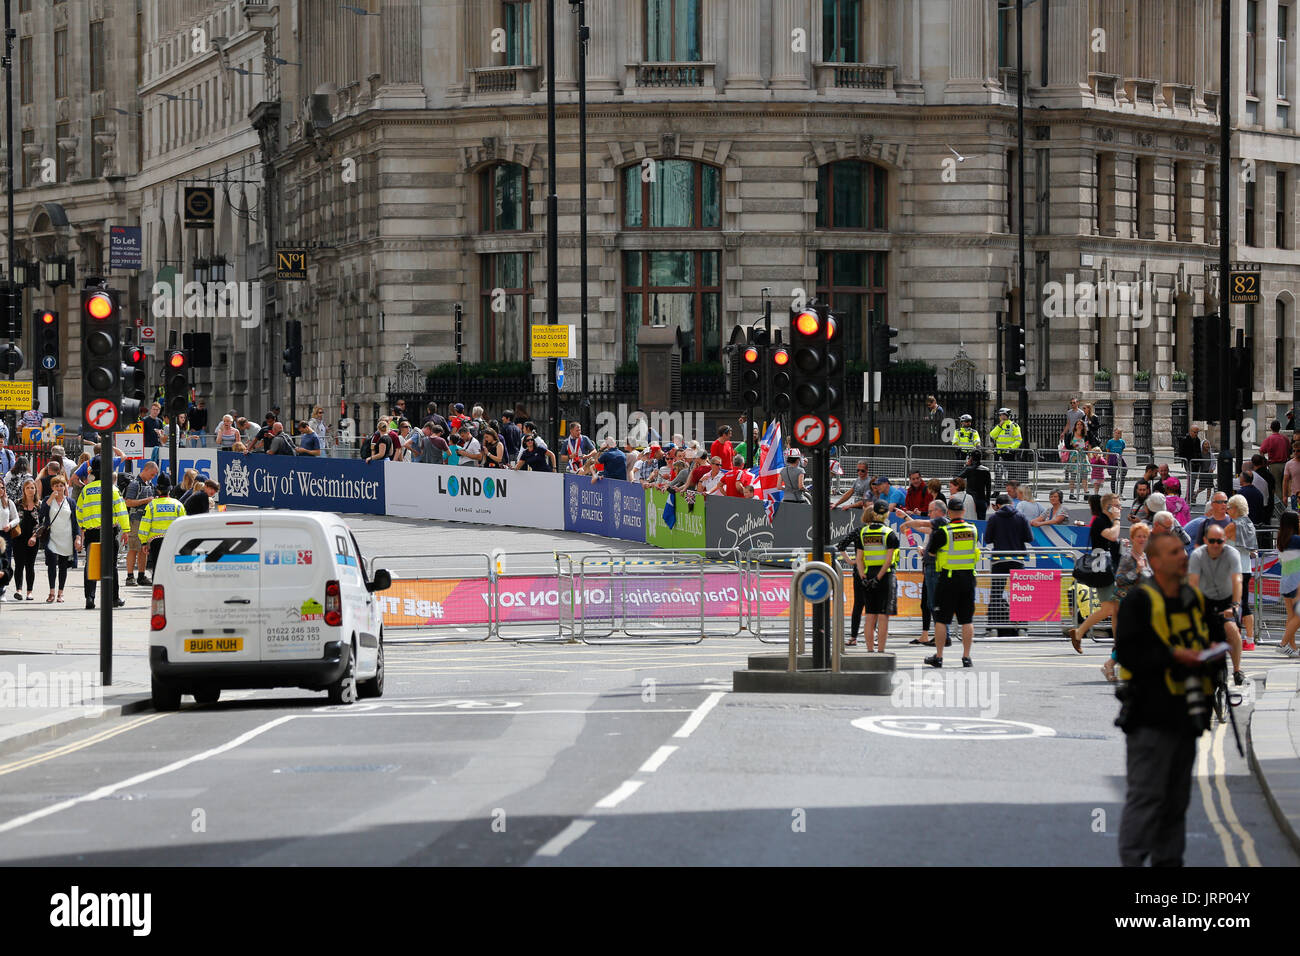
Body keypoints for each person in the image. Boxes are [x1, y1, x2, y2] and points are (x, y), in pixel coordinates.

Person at [1114, 530, 1226, 867]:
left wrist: (1211, 654)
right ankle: (1133, 861)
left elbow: (1215, 639)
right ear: (1156, 561)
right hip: (1150, 717)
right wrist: (1176, 656)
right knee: (1147, 797)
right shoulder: (1140, 601)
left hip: (1187, 716)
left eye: (1182, 550)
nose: (1183, 556)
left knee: (1177, 802)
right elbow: (1129, 654)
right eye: (1175, 552)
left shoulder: (1196, 599)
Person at [1186, 527, 1245, 687]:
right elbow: (1193, 584)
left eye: (1219, 541)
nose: (1215, 545)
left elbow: (1237, 580)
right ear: (1205, 541)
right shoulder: (1197, 555)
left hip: (1227, 599)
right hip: (1205, 599)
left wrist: (1235, 605)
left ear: (1225, 540)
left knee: (1232, 631)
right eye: (1212, 541)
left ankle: (1237, 670)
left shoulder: (1232, 554)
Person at [925, 494, 979, 668]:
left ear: (948, 512)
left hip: (948, 579)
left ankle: (939, 656)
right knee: (967, 620)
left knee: (942, 619)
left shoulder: (944, 532)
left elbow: (931, 552)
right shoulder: (973, 530)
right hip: (968, 578)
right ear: (963, 511)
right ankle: (966, 657)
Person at [1065, 493, 1123, 652]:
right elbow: (1112, 536)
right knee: (1108, 609)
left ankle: (1118, 644)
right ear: (1108, 507)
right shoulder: (1100, 521)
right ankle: (1079, 632)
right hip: (1102, 570)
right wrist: (1117, 520)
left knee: (1116, 609)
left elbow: (1112, 541)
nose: (1120, 508)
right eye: (1117, 505)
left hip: (1111, 569)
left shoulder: (1107, 521)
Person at [76, 457, 129, 610]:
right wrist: (126, 530)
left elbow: (79, 511)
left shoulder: (86, 490)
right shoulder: (113, 489)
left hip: (91, 533)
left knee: (91, 565)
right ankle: (113, 598)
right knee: (111, 566)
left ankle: (90, 598)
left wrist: (83, 527)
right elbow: (121, 511)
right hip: (109, 532)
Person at [1103, 522, 1153, 681]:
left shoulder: (1145, 557)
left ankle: (1112, 665)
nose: (1142, 539)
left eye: (1144, 536)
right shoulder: (1128, 557)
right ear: (1132, 538)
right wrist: (1136, 571)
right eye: (1139, 536)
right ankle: (1111, 665)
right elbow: (1119, 579)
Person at [849, 501, 900, 652]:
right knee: (883, 616)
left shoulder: (863, 533)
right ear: (886, 514)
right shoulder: (889, 533)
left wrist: (863, 577)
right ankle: (881, 650)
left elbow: (859, 559)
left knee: (870, 615)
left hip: (868, 574)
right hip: (885, 576)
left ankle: (870, 650)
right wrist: (878, 577)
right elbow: (888, 560)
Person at [900, 499, 950, 648]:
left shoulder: (942, 522)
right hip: (931, 567)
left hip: (935, 568)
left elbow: (921, 525)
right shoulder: (937, 526)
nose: (928, 514)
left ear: (939, 511)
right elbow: (922, 527)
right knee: (928, 603)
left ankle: (943, 636)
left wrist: (906, 521)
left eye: (930, 511)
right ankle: (932, 635)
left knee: (935, 603)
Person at [984, 492, 1033, 634]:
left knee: (996, 594)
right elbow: (1029, 538)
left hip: (999, 560)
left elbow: (987, 539)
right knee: (1020, 594)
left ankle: (993, 627)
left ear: (998, 505)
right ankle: (1022, 628)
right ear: (1011, 503)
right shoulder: (1021, 517)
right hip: (1017, 560)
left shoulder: (994, 518)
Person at [37, 475, 80, 603]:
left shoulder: (70, 502)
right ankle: (51, 592)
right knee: (51, 565)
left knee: (63, 566)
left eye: (61, 485)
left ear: (65, 487)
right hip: (52, 538)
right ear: (52, 487)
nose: (59, 488)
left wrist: (77, 537)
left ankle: (60, 593)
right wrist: (50, 499)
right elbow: (41, 515)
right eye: (56, 486)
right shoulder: (47, 500)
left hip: (66, 538)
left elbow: (75, 521)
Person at [1224, 494, 1258, 651]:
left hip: (1233, 570)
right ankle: (1249, 640)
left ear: (1236, 509)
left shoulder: (1232, 526)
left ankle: (1235, 637)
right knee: (1245, 603)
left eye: (1229, 507)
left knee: (1233, 604)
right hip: (1246, 568)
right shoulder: (1249, 524)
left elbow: (1217, 540)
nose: (1227, 510)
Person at [139, 475, 185, 579]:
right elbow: (183, 524)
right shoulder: (178, 505)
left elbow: (145, 524)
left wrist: (144, 542)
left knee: (157, 567)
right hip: (173, 540)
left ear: (158, 490)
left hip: (156, 541)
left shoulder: (151, 505)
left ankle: (157, 587)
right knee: (171, 567)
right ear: (170, 489)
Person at [123, 460, 158, 587]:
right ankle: (130, 576)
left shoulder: (149, 484)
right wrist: (146, 500)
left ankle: (141, 576)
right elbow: (128, 502)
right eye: (152, 474)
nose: (153, 477)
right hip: (136, 520)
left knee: (144, 549)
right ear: (146, 470)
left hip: (146, 521)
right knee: (133, 548)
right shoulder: (135, 484)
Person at [10, 480, 41, 601]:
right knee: (19, 564)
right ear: (24, 490)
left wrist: (34, 536)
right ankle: (18, 590)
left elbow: (42, 523)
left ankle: (29, 592)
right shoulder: (17, 503)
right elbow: (12, 518)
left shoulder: (39, 505)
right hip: (19, 538)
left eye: (32, 488)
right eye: (27, 488)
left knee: (30, 565)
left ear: (35, 490)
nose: (30, 490)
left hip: (33, 538)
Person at [1277, 510, 1300, 656]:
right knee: (1297, 616)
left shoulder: (1282, 540)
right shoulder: (1296, 540)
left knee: (1291, 616)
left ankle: (1292, 648)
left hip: (1286, 582)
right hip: (1296, 583)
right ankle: (1283, 644)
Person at [989, 408, 1022, 482]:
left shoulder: (1014, 425)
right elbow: (992, 435)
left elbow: (1018, 440)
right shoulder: (998, 426)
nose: (1000, 417)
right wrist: (999, 426)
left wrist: (1011, 448)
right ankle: (997, 487)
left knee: (1011, 472)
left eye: (1002, 415)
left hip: (1009, 453)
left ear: (1006, 415)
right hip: (998, 452)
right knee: (997, 472)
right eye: (1000, 415)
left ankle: (1011, 488)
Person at [958, 450, 992, 520]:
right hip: (981, 499)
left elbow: (958, 477)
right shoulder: (986, 470)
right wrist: (987, 501)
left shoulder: (969, 469)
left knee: (970, 520)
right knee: (981, 521)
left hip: (970, 500)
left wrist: (966, 465)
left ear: (971, 458)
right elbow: (988, 487)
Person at [1262, 420, 1289, 502]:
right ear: (1280, 428)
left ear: (1271, 428)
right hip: (1285, 464)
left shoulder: (1269, 439)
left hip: (1274, 465)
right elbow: (1289, 449)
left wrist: (1265, 461)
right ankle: (1285, 502)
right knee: (1285, 485)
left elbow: (1261, 450)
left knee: (1277, 486)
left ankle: (1280, 505)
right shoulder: (1285, 438)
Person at [1066, 419, 1090, 500]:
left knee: (1084, 476)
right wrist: (1073, 445)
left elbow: (1088, 445)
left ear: (1083, 426)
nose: (1079, 426)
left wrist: (1086, 447)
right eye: (1078, 424)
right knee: (1073, 476)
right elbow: (1067, 446)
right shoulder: (1071, 435)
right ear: (1075, 426)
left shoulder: (1085, 435)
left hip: (1083, 457)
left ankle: (1086, 493)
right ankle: (1071, 493)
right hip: (1074, 457)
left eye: (1081, 424)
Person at [1106, 428, 1128, 495]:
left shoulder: (1122, 442)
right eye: (1116, 433)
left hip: (1119, 458)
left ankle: (1120, 492)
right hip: (1112, 458)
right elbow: (1108, 452)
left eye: (1119, 433)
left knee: (1123, 475)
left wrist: (1120, 457)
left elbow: (1122, 450)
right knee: (1113, 477)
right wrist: (1107, 462)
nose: (1117, 434)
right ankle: (1113, 493)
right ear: (1113, 433)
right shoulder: (1110, 442)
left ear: (1121, 434)